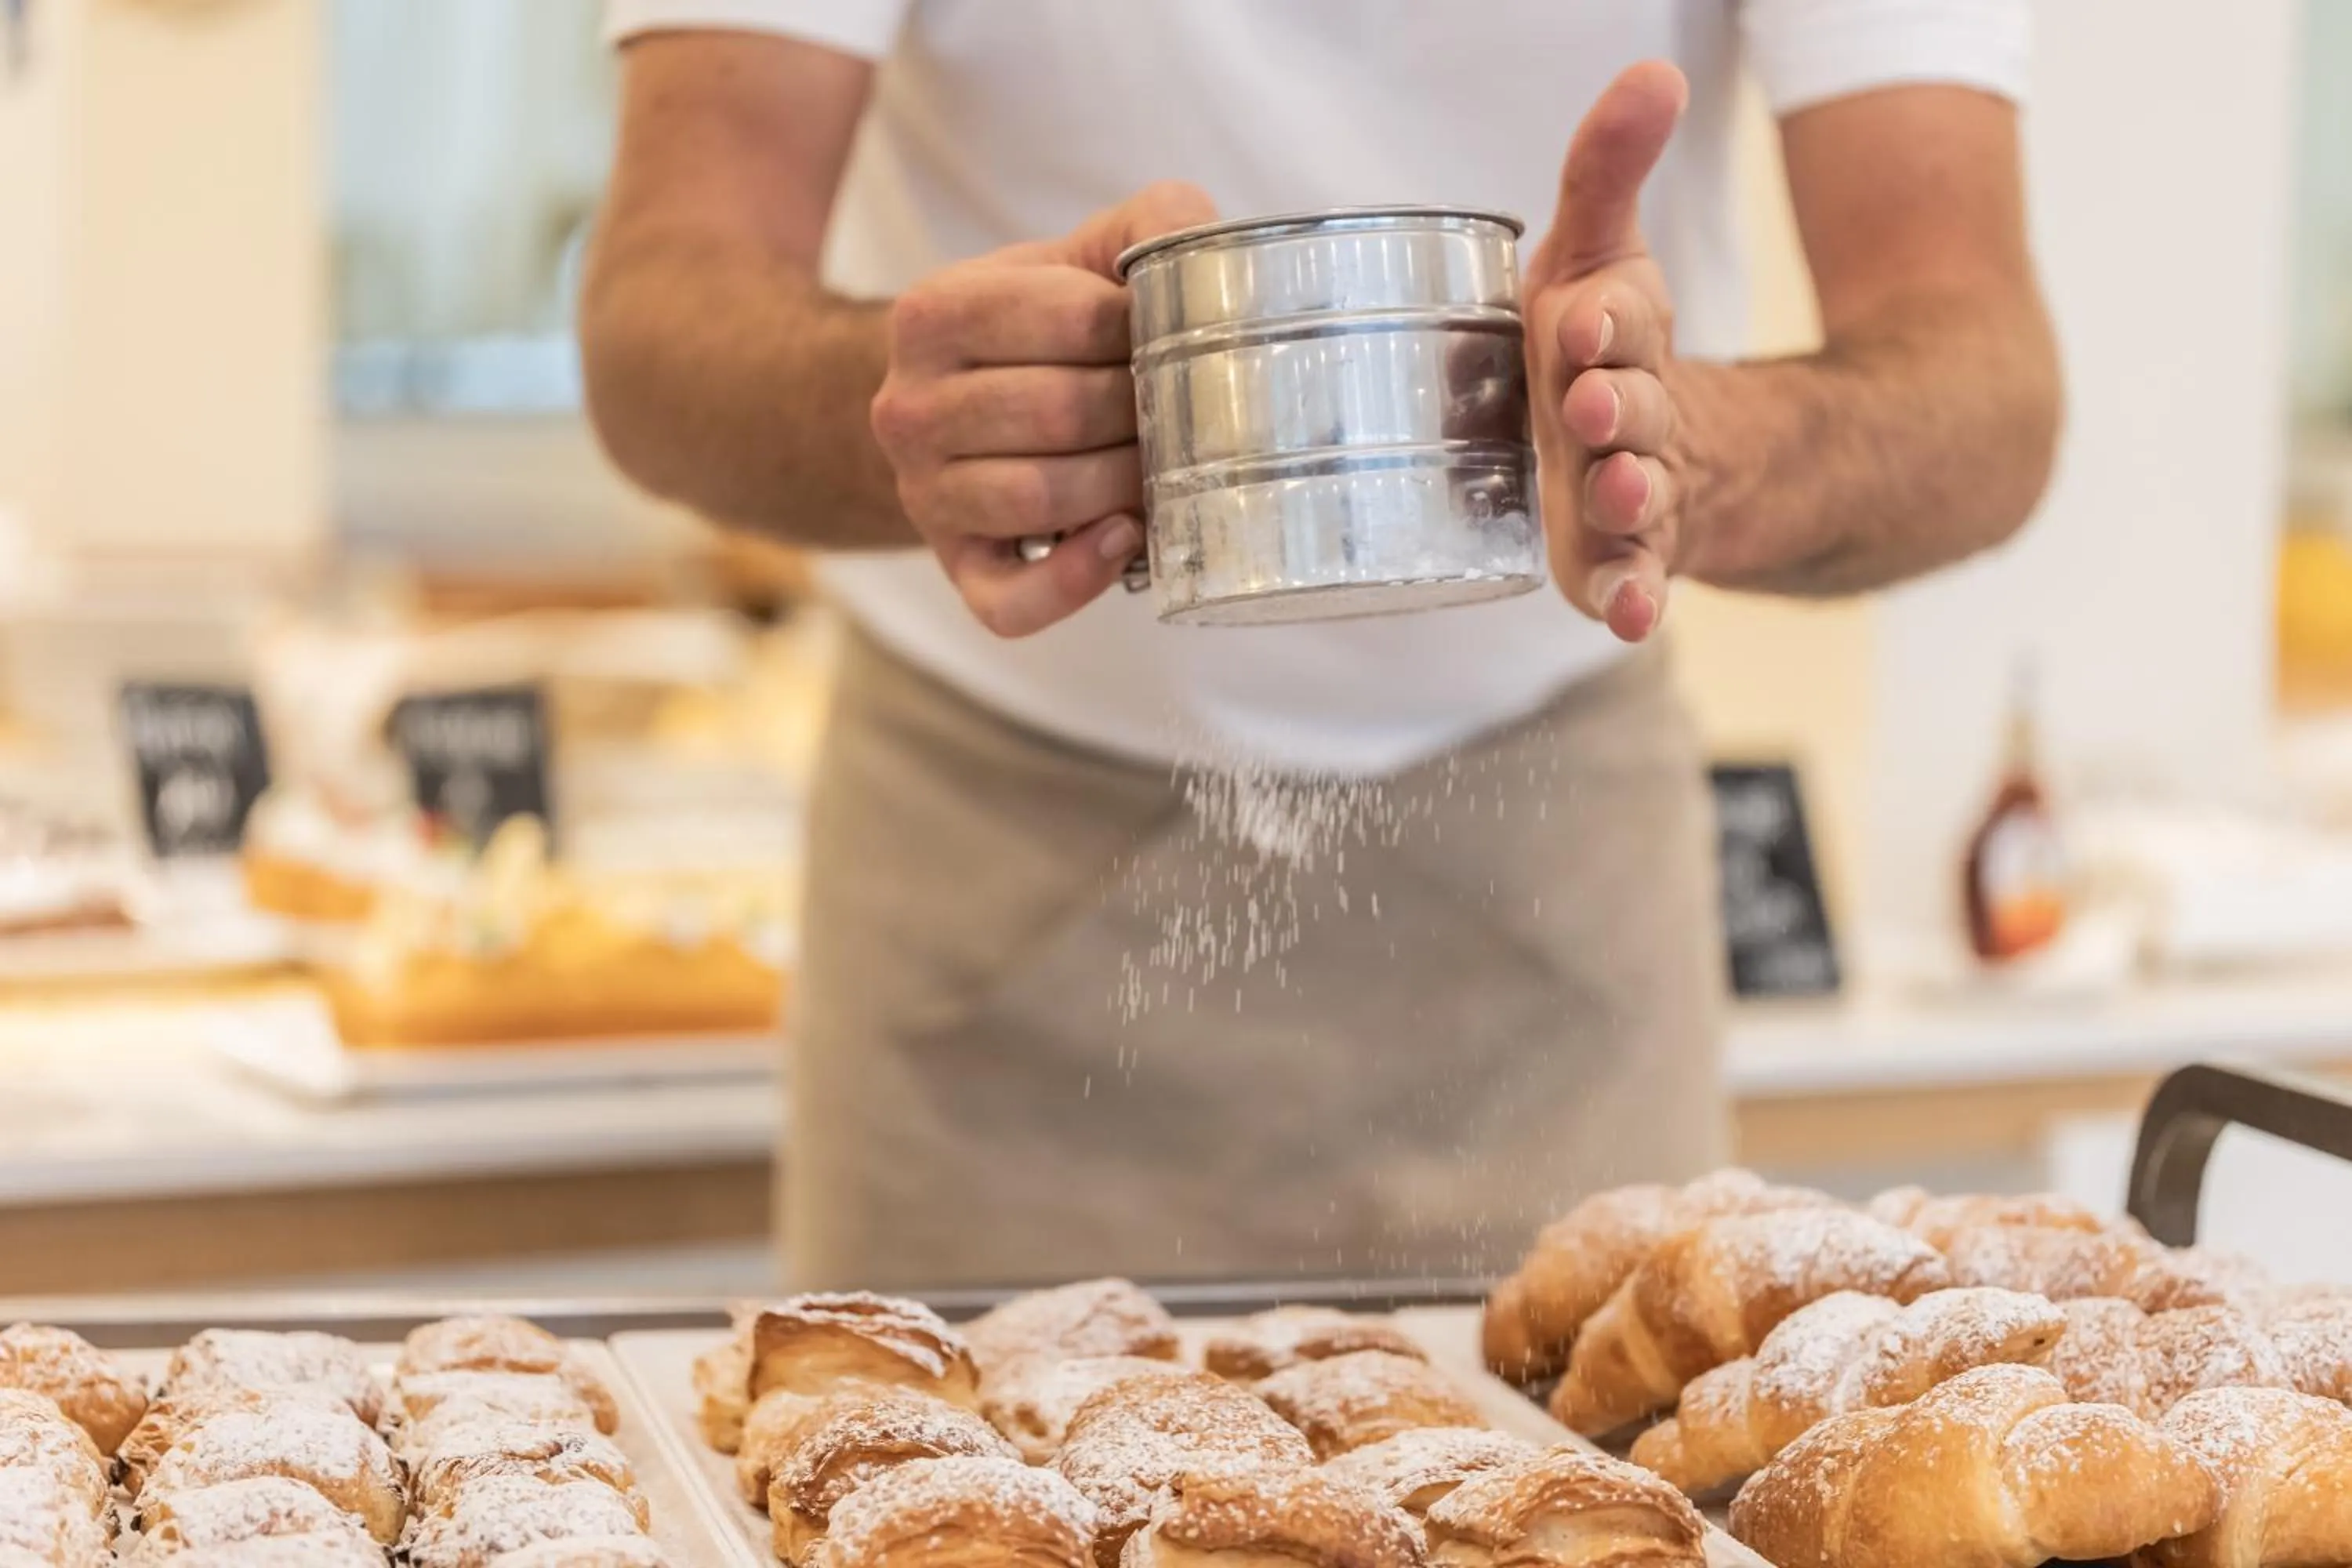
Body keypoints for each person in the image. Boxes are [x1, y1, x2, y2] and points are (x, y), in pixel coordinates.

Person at [581, 2, 2060, 1290]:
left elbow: (1983, 387)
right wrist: (935, 417)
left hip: (1555, 884)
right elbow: (661, 316)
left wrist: (1678, 450)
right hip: (991, 885)